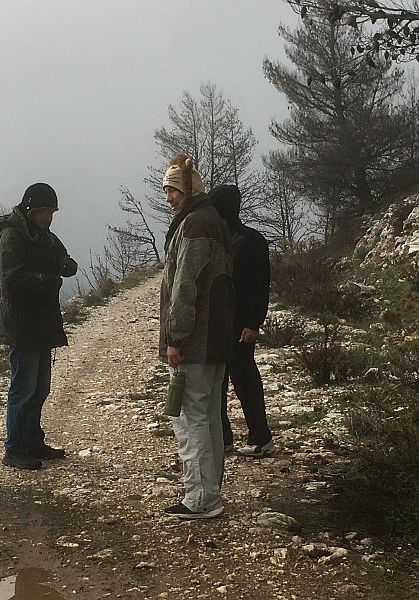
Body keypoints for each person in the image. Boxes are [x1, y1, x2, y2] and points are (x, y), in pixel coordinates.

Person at [159, 154, 235, 519]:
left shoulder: (194, 225)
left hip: (196, 340)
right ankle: (210, 492)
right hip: (217, 337)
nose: (169, 198)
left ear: (189, 190)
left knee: (190, 419)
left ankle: (200, 498)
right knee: (209, 416)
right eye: (166, 190)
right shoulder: (215, 221)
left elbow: (185, 285)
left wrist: (175, 338)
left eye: (173, 190)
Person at [0, 182, 78, 470]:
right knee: (23, 389)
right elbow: (12, 281)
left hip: (42, 323)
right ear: (31, 209)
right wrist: (48, 280)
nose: (49, 218)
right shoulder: (11, 236)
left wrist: (67, 264)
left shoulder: (44, 235)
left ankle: (32, 440)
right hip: (22, 324)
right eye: (46, 212)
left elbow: (61, 255)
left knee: (40, 388)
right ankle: (14, 448)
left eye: (52, 213)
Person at [210, 184, 274, 458]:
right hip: (219, 322)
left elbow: (260, 286)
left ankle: (261, 437)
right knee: (217, 380)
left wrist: (253, 323)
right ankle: (223, 438)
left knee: (244, 378)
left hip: (240, 323)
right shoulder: (218, 241)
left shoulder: (251, 240)